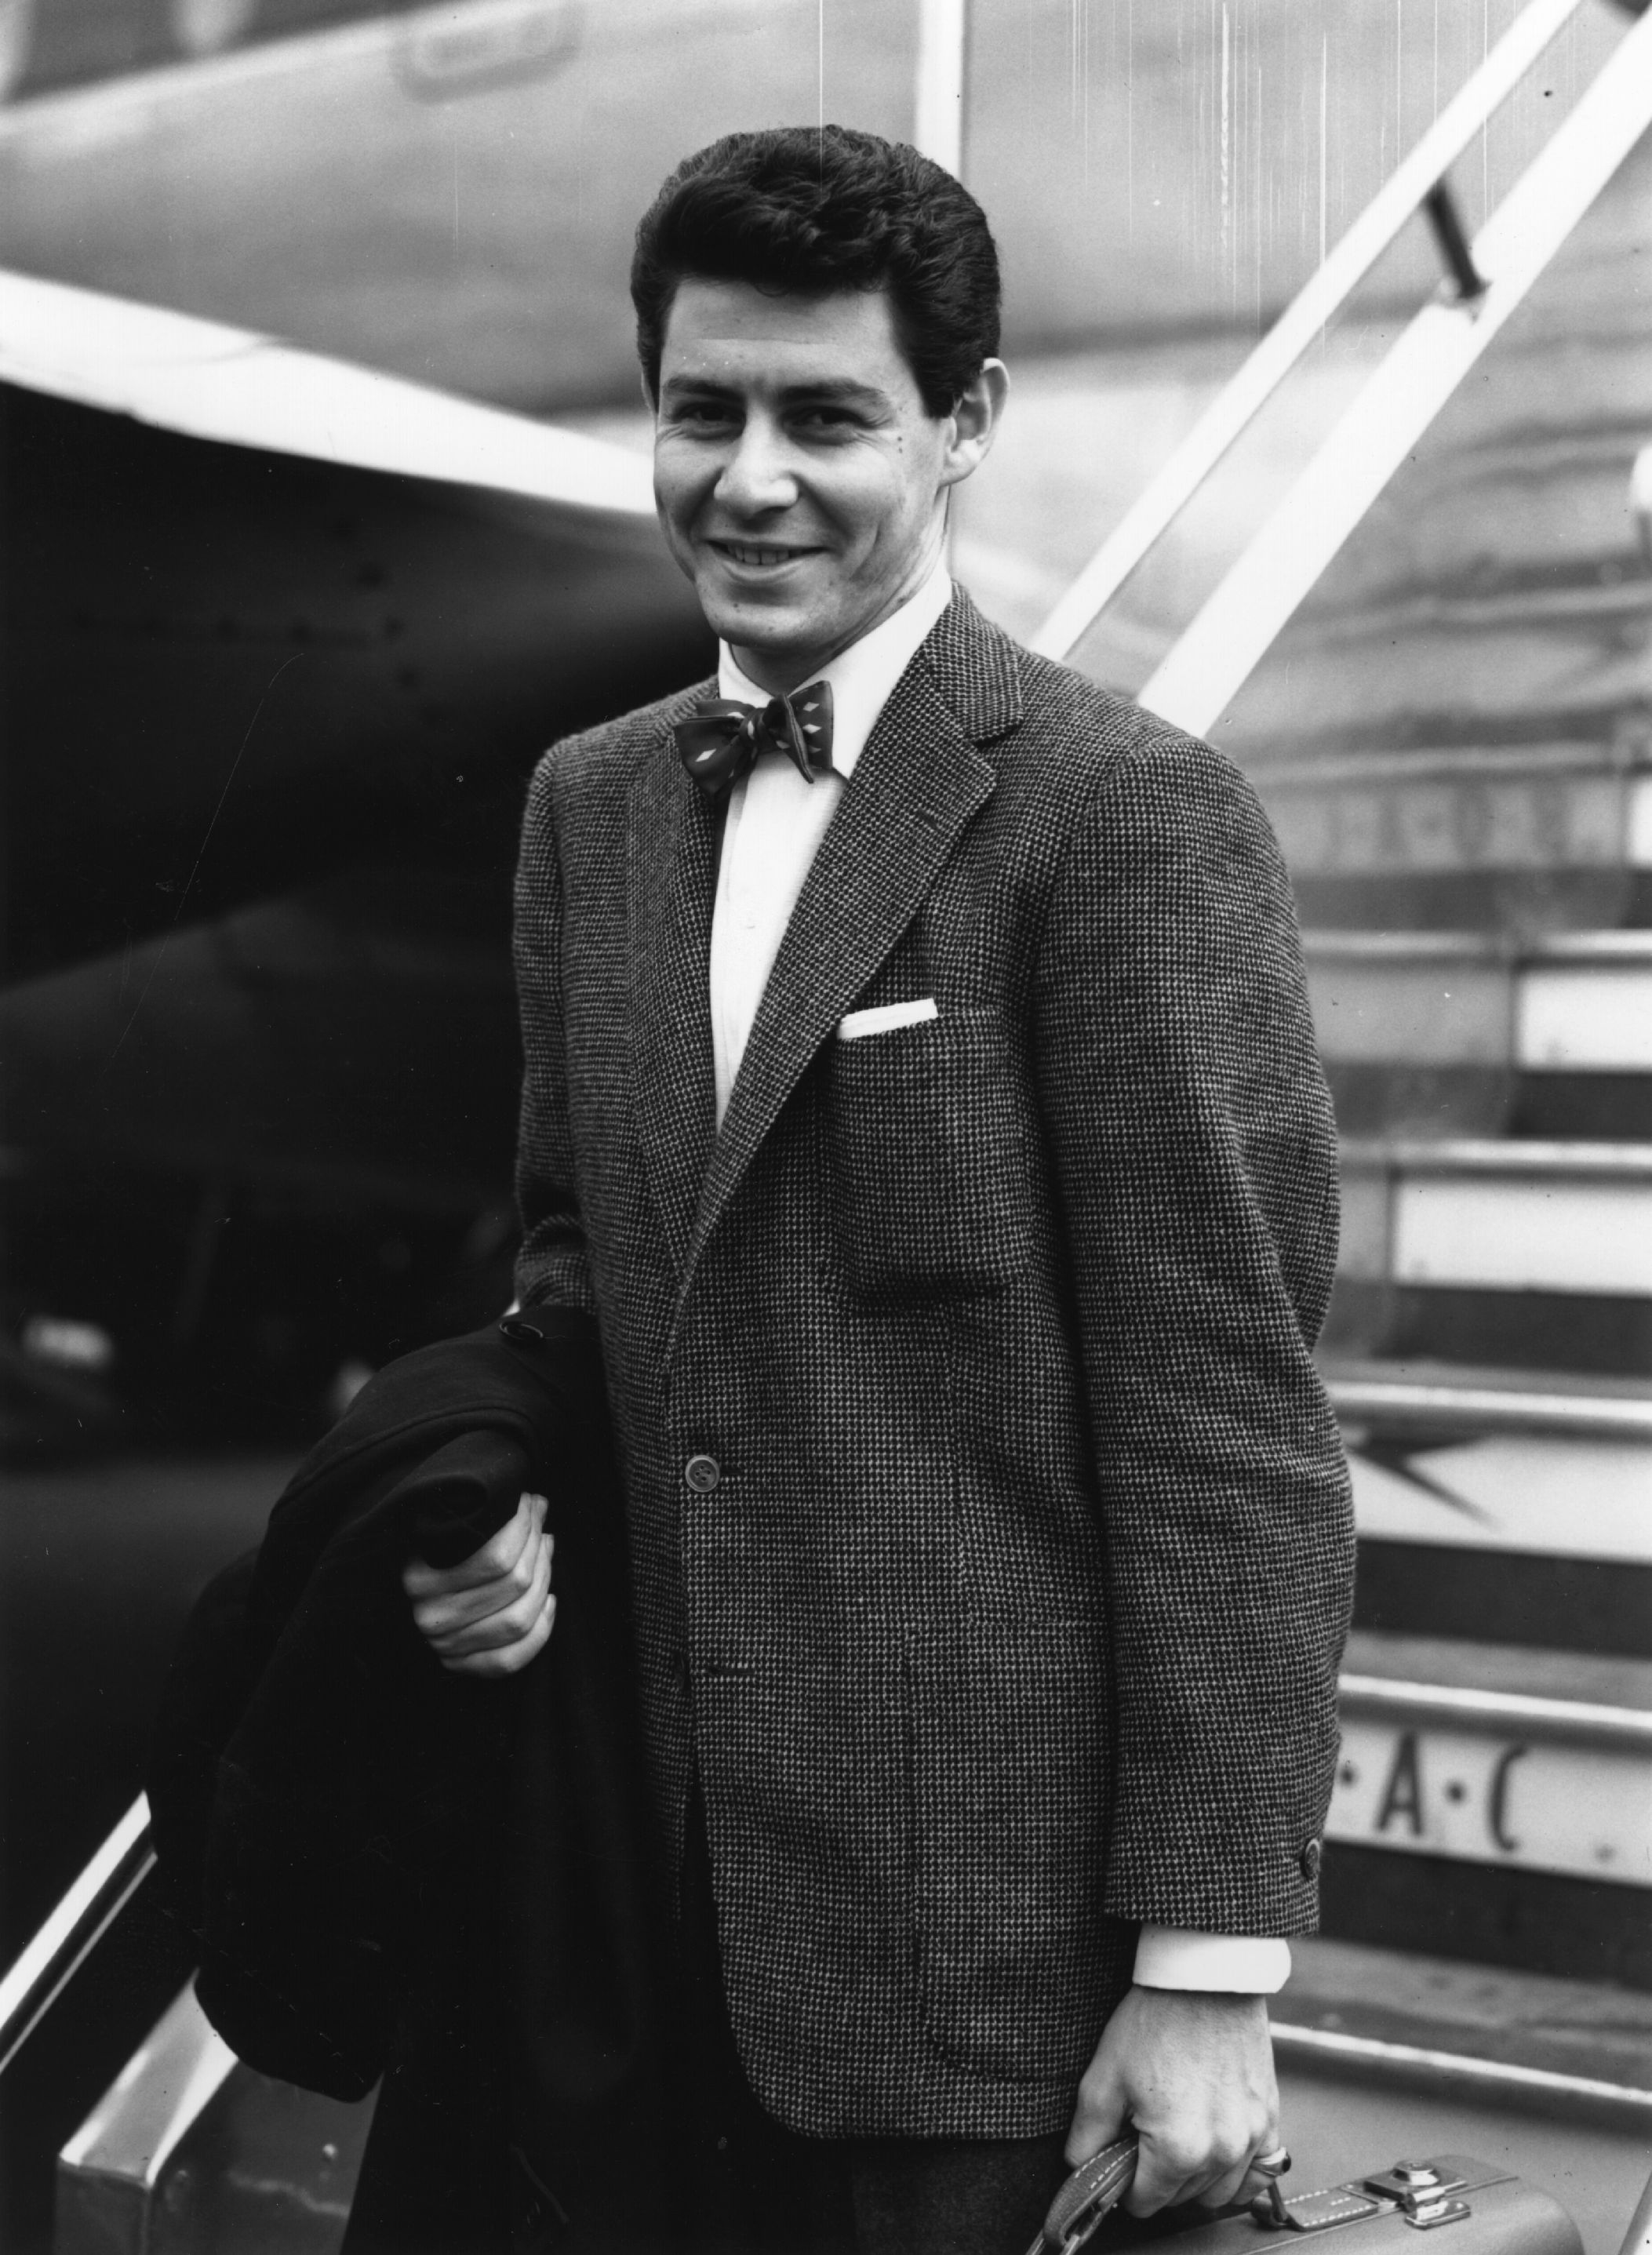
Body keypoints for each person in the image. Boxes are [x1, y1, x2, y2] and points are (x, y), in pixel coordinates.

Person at [402, 123, 1354, 2255]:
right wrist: (483, 1512)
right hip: (631, 1938)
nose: (749, 478)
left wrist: (1206, 1967)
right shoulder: (590, 809)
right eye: (699, 409)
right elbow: (580, 1271)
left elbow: (1228, 1432)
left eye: (826, 415)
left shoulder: (1125, 822)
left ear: (963, 426)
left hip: (982, 1997)